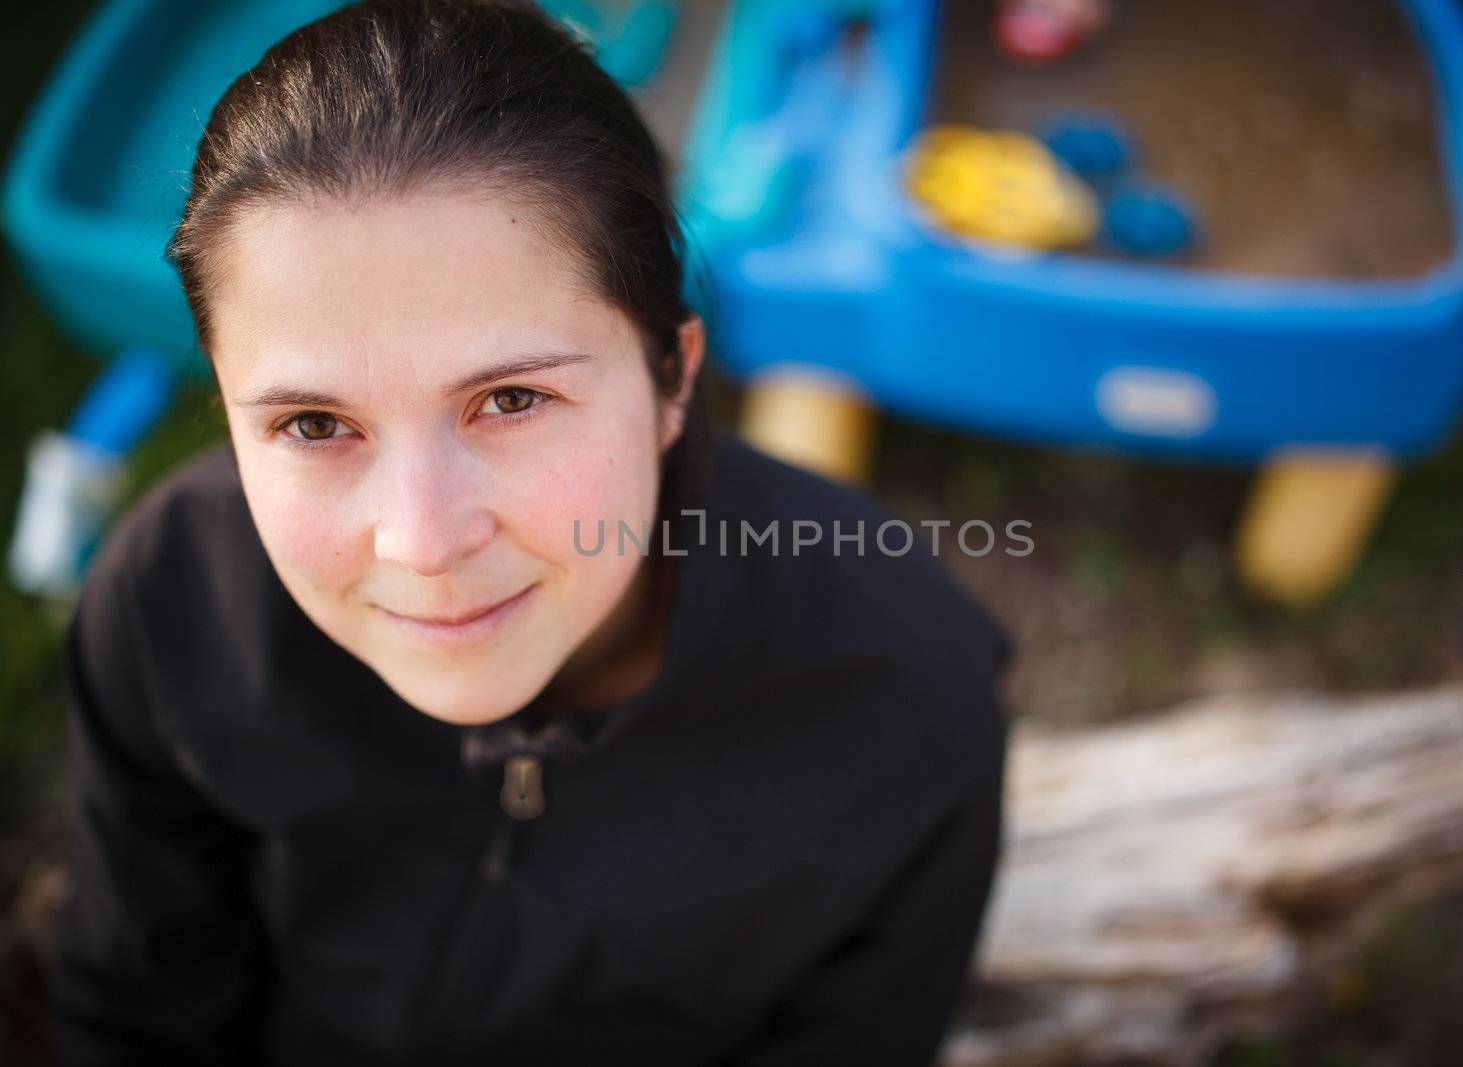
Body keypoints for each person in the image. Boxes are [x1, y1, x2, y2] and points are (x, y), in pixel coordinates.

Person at [48, 1, 1014, 1064]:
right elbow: (135, 1010)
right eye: (314, 423)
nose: (422, 540)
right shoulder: (167, 602)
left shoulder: (907, 700)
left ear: (672, 376)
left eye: (509, 400)